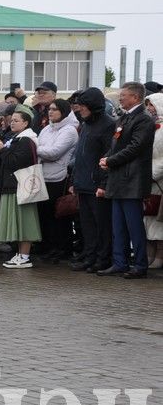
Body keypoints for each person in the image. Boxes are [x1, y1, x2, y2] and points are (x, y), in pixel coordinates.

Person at [98, 82, 155, 279]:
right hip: (118, 179)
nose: (120, 98)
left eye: (124, 95)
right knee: (118, 225)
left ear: (136, 98)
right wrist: (106, 158)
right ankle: (119, 262)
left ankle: (140, 265)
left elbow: (135, 147)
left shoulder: (143, 120)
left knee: (134, 225)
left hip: (132, 180)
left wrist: (110, 160)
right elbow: (115, 144)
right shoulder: (123, 118)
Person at [69, 88, 116, 273]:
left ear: (93, 106)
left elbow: (107, 156)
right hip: (82, 182)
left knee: (102, 225)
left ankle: (102, 258)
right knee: (87, 226)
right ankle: (89, 257)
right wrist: (74, 180)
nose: (79, 109)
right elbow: (79, 155)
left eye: (82, 106)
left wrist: (103, 184)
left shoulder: (108, 124)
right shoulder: (86, 123)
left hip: (97, 184)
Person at [0, 106, 42, 269]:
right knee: (19, 222)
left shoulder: (27, 140)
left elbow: (16, 162)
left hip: (21, 186)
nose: (12, 123)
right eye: (11, 120)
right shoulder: (17, 139)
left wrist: (2, 150)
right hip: (14, 186)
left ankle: (25, 256)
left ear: (26, 122)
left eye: (16, 120)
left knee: (25, 222)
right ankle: (20, 254)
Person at [35, 98, 79, 261]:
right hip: (43, 176)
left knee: (59, 215)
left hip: (59, 178)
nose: (50, 111)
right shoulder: (47, 129)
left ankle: (62, 248)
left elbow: (55, 152)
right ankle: (48, 246)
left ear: (64, 112)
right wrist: (41, 150)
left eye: (55, 109)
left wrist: (37, 149)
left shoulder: (69, 130)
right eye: (49, 109)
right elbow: (42, 148)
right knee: (44, 214)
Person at [143, 92, 163, 269]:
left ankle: (159, 256)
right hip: (145, 181)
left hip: (158, 182)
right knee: (147, 218)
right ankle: (149, 254)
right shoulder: (149, 126)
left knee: (158, 219)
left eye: (152, 105)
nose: (149, 109)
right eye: (147, 105)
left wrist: (150, 175)